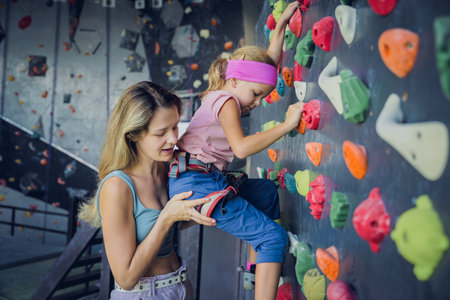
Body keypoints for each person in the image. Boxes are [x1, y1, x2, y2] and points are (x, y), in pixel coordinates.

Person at [167, 2, 303, 299]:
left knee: (266, 192)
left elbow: (266, 69)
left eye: (261, 97)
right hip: (196, 183)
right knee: (273, 237)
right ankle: (264, 277)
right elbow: (241, 147)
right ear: (235, 79)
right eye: (255, 95)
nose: (256, 103)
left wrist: (279, 30)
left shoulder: (229, 91)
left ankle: (256, 274)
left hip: (203, 179)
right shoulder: (226, 101)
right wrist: (286, 125)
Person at [78, 81, 217, 299]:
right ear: (133, 135)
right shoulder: (118, 186)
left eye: (174, 127)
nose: (173, 139)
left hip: (181, 286)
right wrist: (166, 217)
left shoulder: (168, 168)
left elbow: (171, 226)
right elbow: (125, 278)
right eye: (161, 132)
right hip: (144, 294)